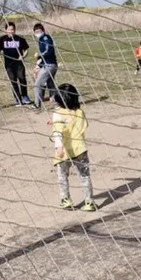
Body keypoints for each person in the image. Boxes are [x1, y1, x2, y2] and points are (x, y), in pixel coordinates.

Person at [48, 83, 97, 212]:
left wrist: (59, 147)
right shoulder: (80, 112)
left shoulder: (57, 114)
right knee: (84, 176)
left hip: (64, 150)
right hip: (80, 148)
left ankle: (66, 200)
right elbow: (84, 125)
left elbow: (58, 132)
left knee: (62, 175)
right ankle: (89, 202)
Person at [0, 21, 31, 106]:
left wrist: (23, 56)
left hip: (19, 63)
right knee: (13, 81)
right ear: (6, 30)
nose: (11, 31)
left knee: (22, 78)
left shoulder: (20, 38)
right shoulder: (2, 39)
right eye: (9, 29)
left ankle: (25, 96)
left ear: (15, 30)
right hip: (9, 65)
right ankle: (18, 99)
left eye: (12, 29)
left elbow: (26, 50)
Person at [32, 22, 58, 109]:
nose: (37, 33)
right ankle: (57, 103)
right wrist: (39, 65)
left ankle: (37, 104)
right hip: (49, 64)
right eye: (35, 32)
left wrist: (39, 55)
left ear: (43, 30)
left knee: (37, 84)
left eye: (39, 31)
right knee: (51, 85)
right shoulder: (41, 39)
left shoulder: (46, 38)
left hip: (49, 65)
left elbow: (48, 51)